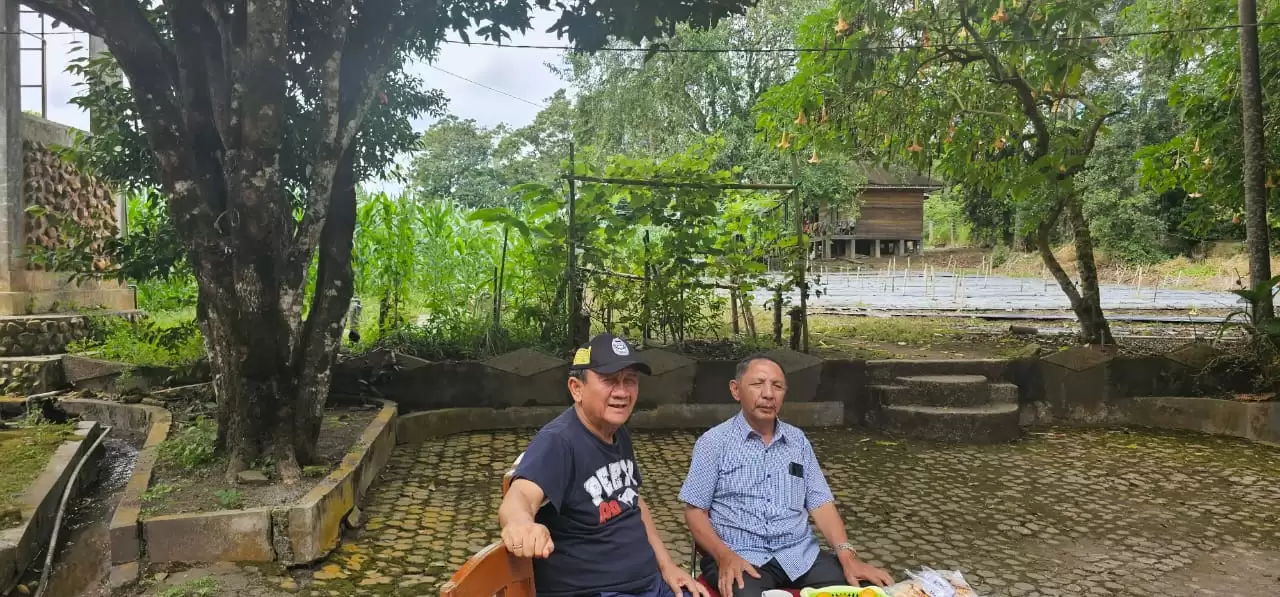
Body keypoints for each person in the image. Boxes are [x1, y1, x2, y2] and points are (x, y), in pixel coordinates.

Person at [499, 332, 709, 597]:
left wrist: (668, 567)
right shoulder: (559, 442)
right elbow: (519, 495)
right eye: (609, 380)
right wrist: (521, 524)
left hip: (650, 585)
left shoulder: (617, 431)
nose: (622, 392)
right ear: (576, 388)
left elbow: (633, 501)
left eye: (630, 380)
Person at [679, 355, 894, 597]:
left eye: (777, 386)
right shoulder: (713, 443)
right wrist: (723, 556)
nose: (768, 394)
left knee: (869, 590)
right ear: (736, 390)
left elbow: (821, 503)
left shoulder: (797, 441)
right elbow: (695, 512)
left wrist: (847, 555)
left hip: (799, 555)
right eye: (758, 384)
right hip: (740, 556)